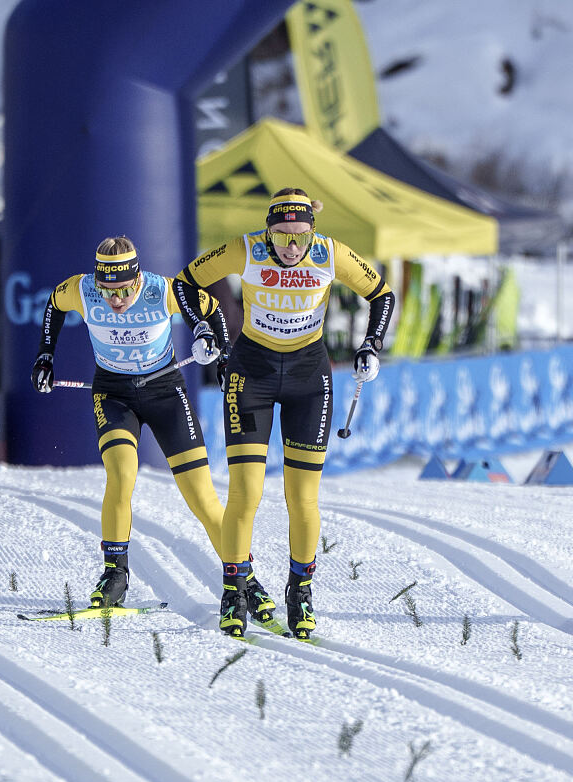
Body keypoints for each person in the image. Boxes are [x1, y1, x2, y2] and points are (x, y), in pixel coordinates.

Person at [172, 188, 395, 640]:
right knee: (246, 493)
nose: (292, 247)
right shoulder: (245, 248)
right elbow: (183, 282)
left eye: (300, 237)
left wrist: (371, 344)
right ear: (267, 230)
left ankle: (301, 590)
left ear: (312, 231)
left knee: (303, 497)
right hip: (250, 375)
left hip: (308, 380)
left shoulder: (331, 253)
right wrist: (202, 326)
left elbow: (382, 294)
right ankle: (234, 591)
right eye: (282, 236)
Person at [30, 235, 274, 612]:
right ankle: (115, 575)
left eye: (124, 290)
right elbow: (54, 305)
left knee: (202, 498)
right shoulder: (82, 288)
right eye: (107, 291)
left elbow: (213, 310)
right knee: (121, 473)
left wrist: (223, 354)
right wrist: (46, 353)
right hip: (113, 393)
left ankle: (246, 579)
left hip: (165, 393)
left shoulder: (164, 290)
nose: (116, 301)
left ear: (137, 278)